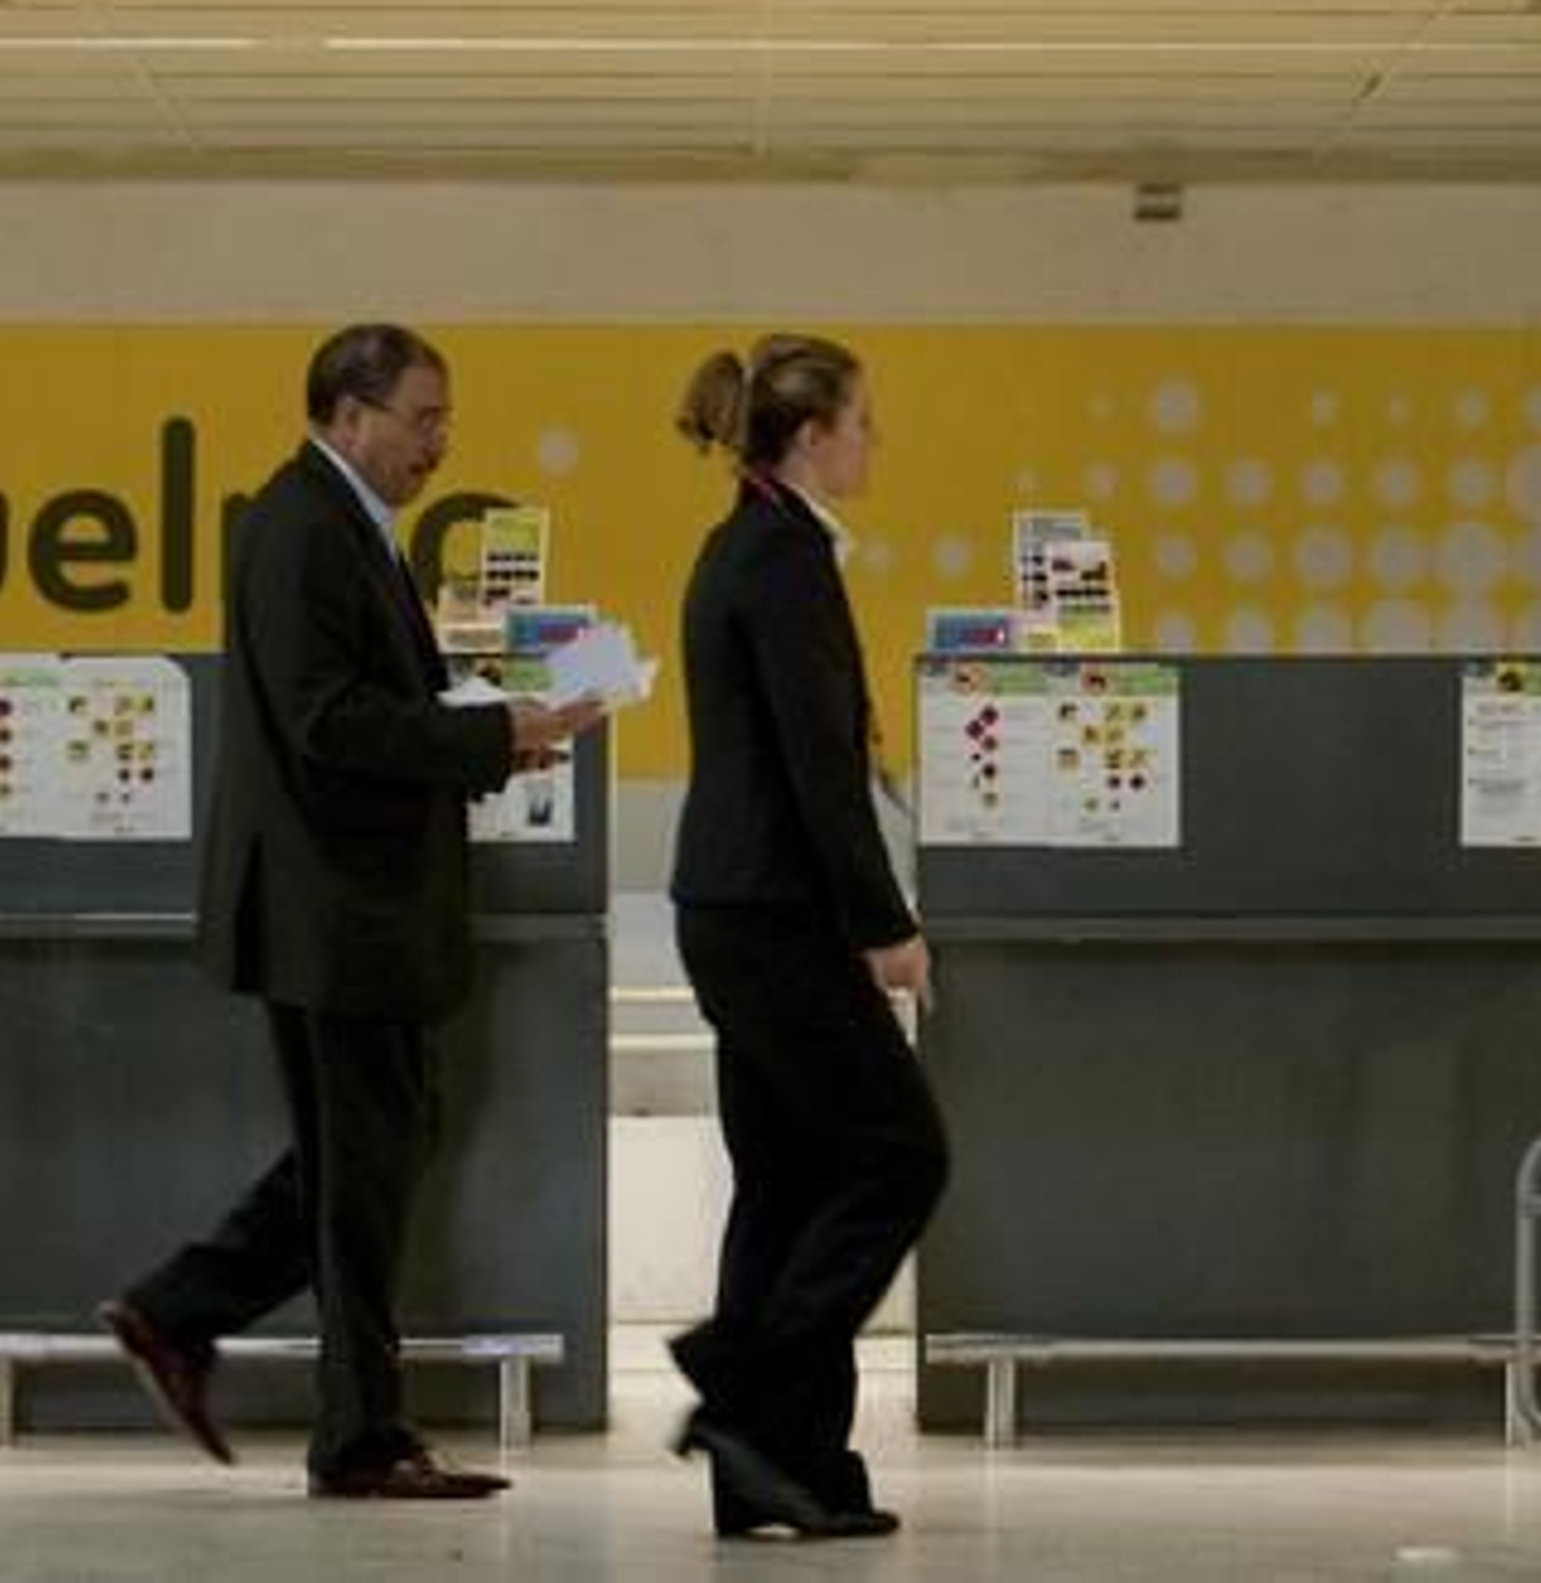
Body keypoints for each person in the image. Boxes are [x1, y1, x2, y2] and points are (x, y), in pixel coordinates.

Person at [98, 323, 601, 1500]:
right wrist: (492, 731)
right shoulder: (300, 531)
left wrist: (490, 743)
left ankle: (180, 1313)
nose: (440, 442)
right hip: (334, 910)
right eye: (423, 418)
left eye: (444, 420)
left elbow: (375, 709)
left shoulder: (345, 531)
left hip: (355, 906)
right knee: (366, 1165)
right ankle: (355, 1431)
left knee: (371, 1152)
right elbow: (328, 724)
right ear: (348, 413)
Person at [667, 334, 949, 1539]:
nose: (873, 441)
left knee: (787, 1180)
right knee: (899, 1154)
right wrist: (884, 926)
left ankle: (782, 1471)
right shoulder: (781, 563)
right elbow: (815, 771)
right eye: (863, 420)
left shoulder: (746, 544)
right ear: (813, 433)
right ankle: (743, 1388)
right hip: (778, 917)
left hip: (735, 909)